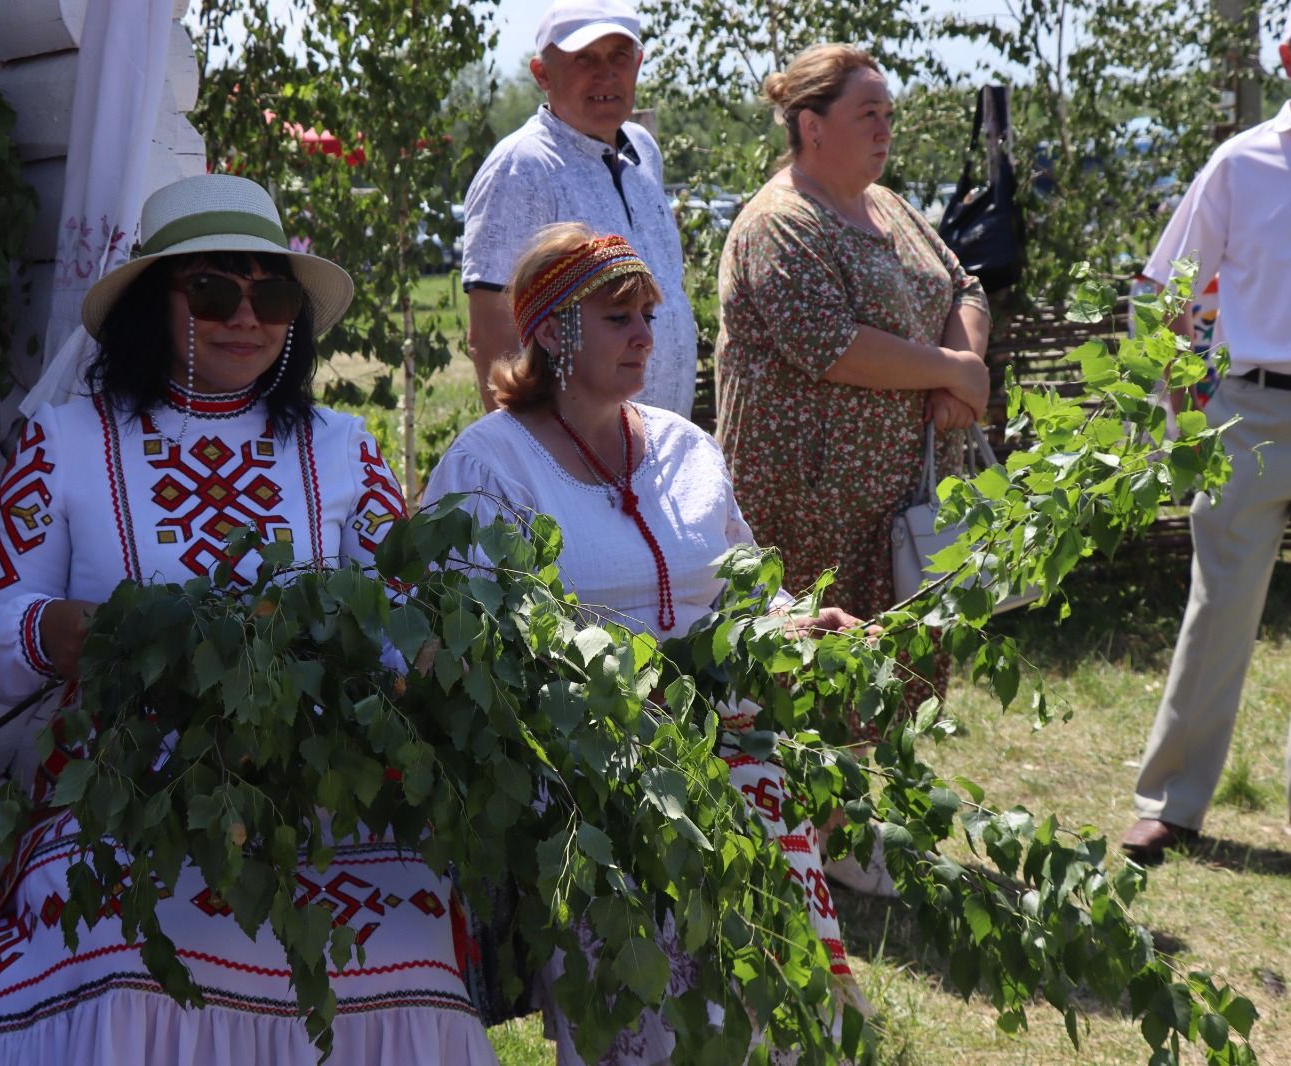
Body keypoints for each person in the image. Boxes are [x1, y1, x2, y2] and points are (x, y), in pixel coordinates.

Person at [0, 175, 498, 1064]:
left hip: (317, 794)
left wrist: (412, 658)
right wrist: (68, 631)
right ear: (155, 304)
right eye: (215, 290)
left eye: (272, 293)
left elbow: (407, 614)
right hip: (123, 793)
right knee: (122, 958)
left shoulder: (342, 448)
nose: (246, 317)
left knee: (410, 956)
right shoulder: (65, 442)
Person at [425, 223, 865, 1065]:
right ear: (553, 330)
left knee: (787, 1017)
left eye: (648, 316)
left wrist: (797, 622)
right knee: (651, 1031)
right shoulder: (493, 467)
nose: (643, 337)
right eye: (618, 316)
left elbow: (740, 588)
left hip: (743, 776)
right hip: (600, 803)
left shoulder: (685, 449)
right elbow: (467, 644)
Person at [1121, 0, 1291, 861]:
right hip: (1248, 414)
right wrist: (1185, 413)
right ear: (1288, 56)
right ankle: (1173, 801)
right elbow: (1165, 294)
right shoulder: (1240, 163)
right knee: (1219, 609)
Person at [715, 43, 991, 632]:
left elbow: (965, 287)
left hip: (904, 500)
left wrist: (958, 375)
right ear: (812, 126)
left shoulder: (890, 206)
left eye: (889, 114)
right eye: (868, 114)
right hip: (813, 513)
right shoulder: (779, 222)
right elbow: (831, 345)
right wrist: (950, 370)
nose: (884, 129)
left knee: (903, 677)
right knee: (817, 683)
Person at [461, 0, 696, 417]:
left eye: (619, 56)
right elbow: (492, 333)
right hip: (573, 458)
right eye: (583, 58)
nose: (605, 74)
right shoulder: (521, 166)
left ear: (638, 63)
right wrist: (527, 458)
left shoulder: (643, 150)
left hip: (655, 449)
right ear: (542, 74)